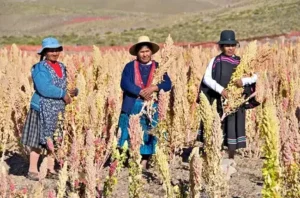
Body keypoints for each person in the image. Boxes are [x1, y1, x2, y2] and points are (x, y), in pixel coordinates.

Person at [21, 37, 77, 180]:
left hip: (57, 110)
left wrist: (72, 91)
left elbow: (63, 86)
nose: (54, 53)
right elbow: (44, 88)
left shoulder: (62, 66)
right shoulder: (40, 68)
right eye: (50, 50)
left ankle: (50, 169)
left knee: (54, 140)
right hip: (41, 108)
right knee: (38, 141)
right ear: (44, 52)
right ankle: (32, 170)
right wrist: (62, 93)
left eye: (56, 50)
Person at [198, 30, 259, 159]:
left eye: (232, 45)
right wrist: (221, 90)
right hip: (217, 100)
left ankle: (231, 157)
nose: (230, 48)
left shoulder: (241, 62)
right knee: (215, 125)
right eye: (226, 45)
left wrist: (243, 81)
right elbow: (206, 79)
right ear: (221, 47)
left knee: (233, 125)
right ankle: (213, 154)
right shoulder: (215, 61)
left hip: (235, 101)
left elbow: (254, 76)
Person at [118, 36, 172, 168]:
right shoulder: (130, 67)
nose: (145, 54)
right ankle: (131, 156)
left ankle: (145, 159)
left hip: (151, 107)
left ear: (151, 52)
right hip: (133, 104)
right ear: (137, 53)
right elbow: (124, 83)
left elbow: (168, 84)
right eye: (142, 52)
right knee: (130, 130)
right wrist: (139, 91)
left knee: (149, 132)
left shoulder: (158, 67)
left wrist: (154, 88)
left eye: (147, 51)